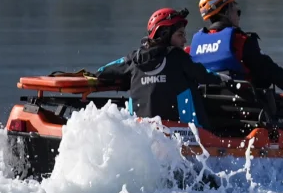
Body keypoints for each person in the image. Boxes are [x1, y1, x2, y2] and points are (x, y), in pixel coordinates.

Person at [190, 0, 283, 131]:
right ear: (225, 12)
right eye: (237, 12)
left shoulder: (193, 47)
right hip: (249, 114)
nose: (238, 16)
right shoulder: (240, 41)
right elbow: (273, 72)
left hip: (213, 115)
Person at [97, 8, 226, 127]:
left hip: (141, 137)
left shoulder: (134, 59)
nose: (185, 40)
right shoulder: (179, 57)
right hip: (187, 139)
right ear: (164, 34)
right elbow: (206, 75)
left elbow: (102, 72)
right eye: (180, 35)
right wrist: (224, 78)